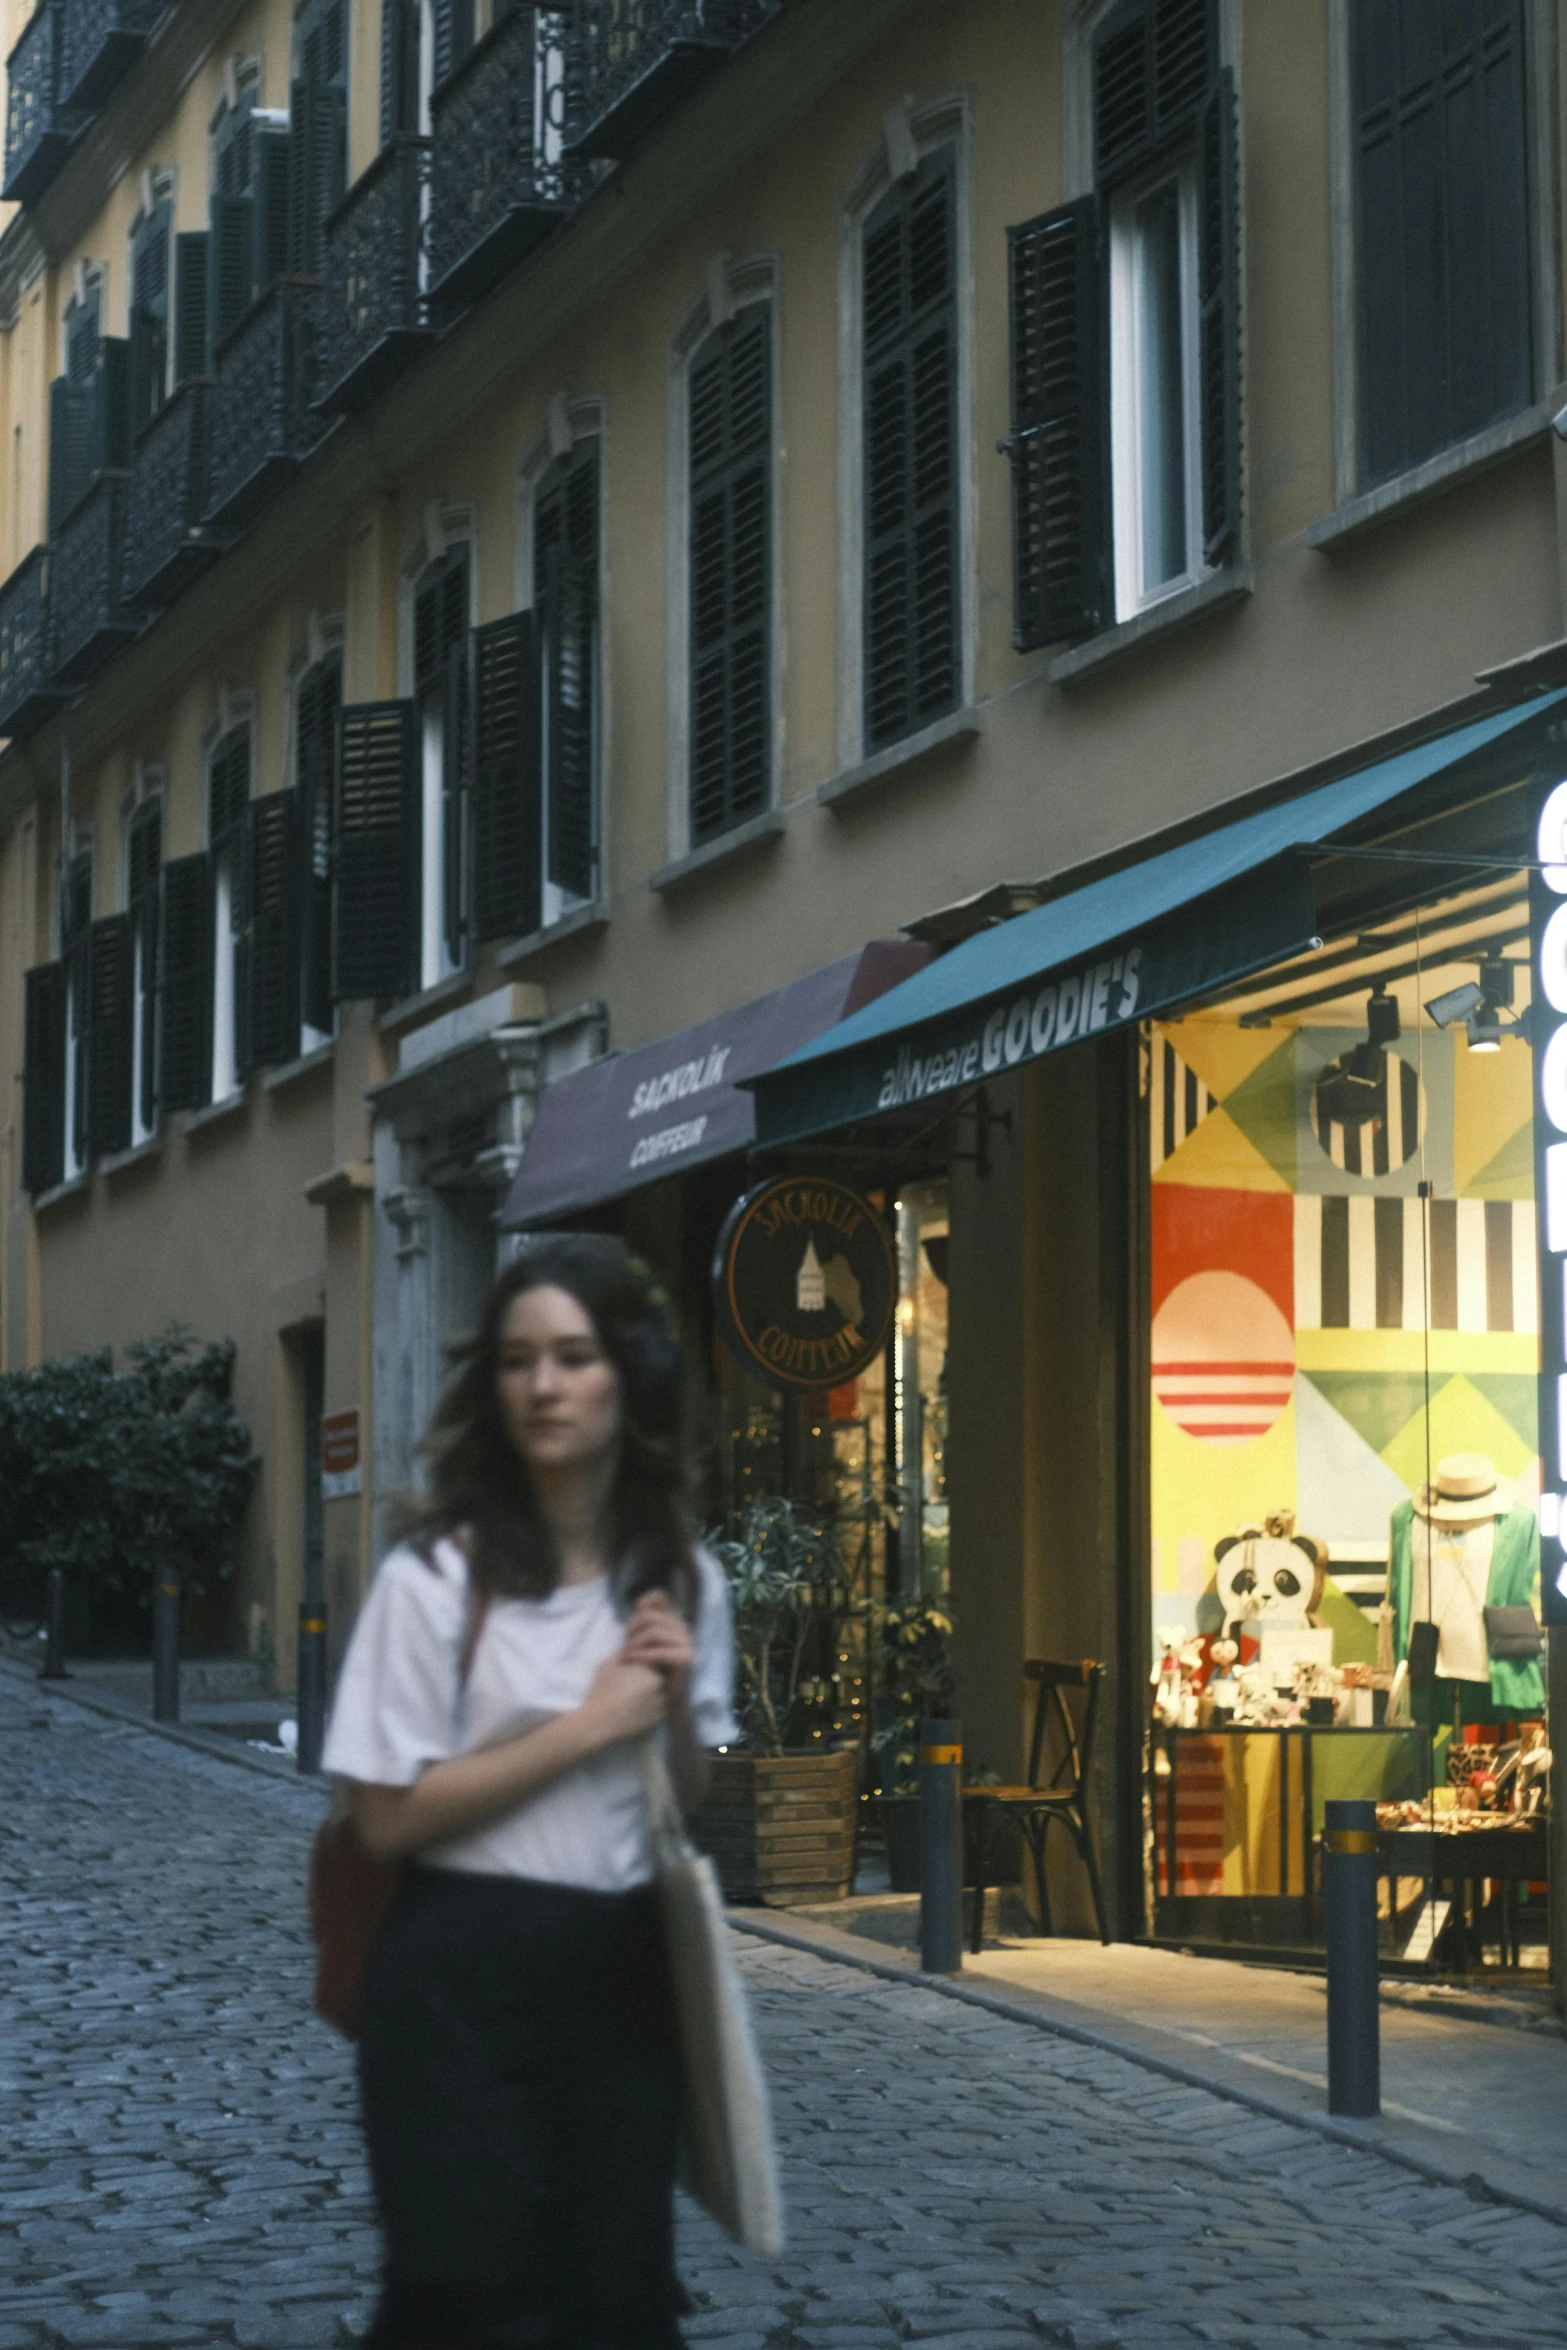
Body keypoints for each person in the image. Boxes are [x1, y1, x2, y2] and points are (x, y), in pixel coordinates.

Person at [322, 1236, 738, 2350]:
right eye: (517, 1361)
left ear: (629, 1375)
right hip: (458, 1974)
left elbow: (680, 1798)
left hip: (620, 1969)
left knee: (615, 2302)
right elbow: (384, 1814)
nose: (543, 1386)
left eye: (572, 1356)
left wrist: (674, 1696)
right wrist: (585, 1726)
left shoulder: (684, 1579)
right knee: (465, 2303)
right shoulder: (436, 1578)